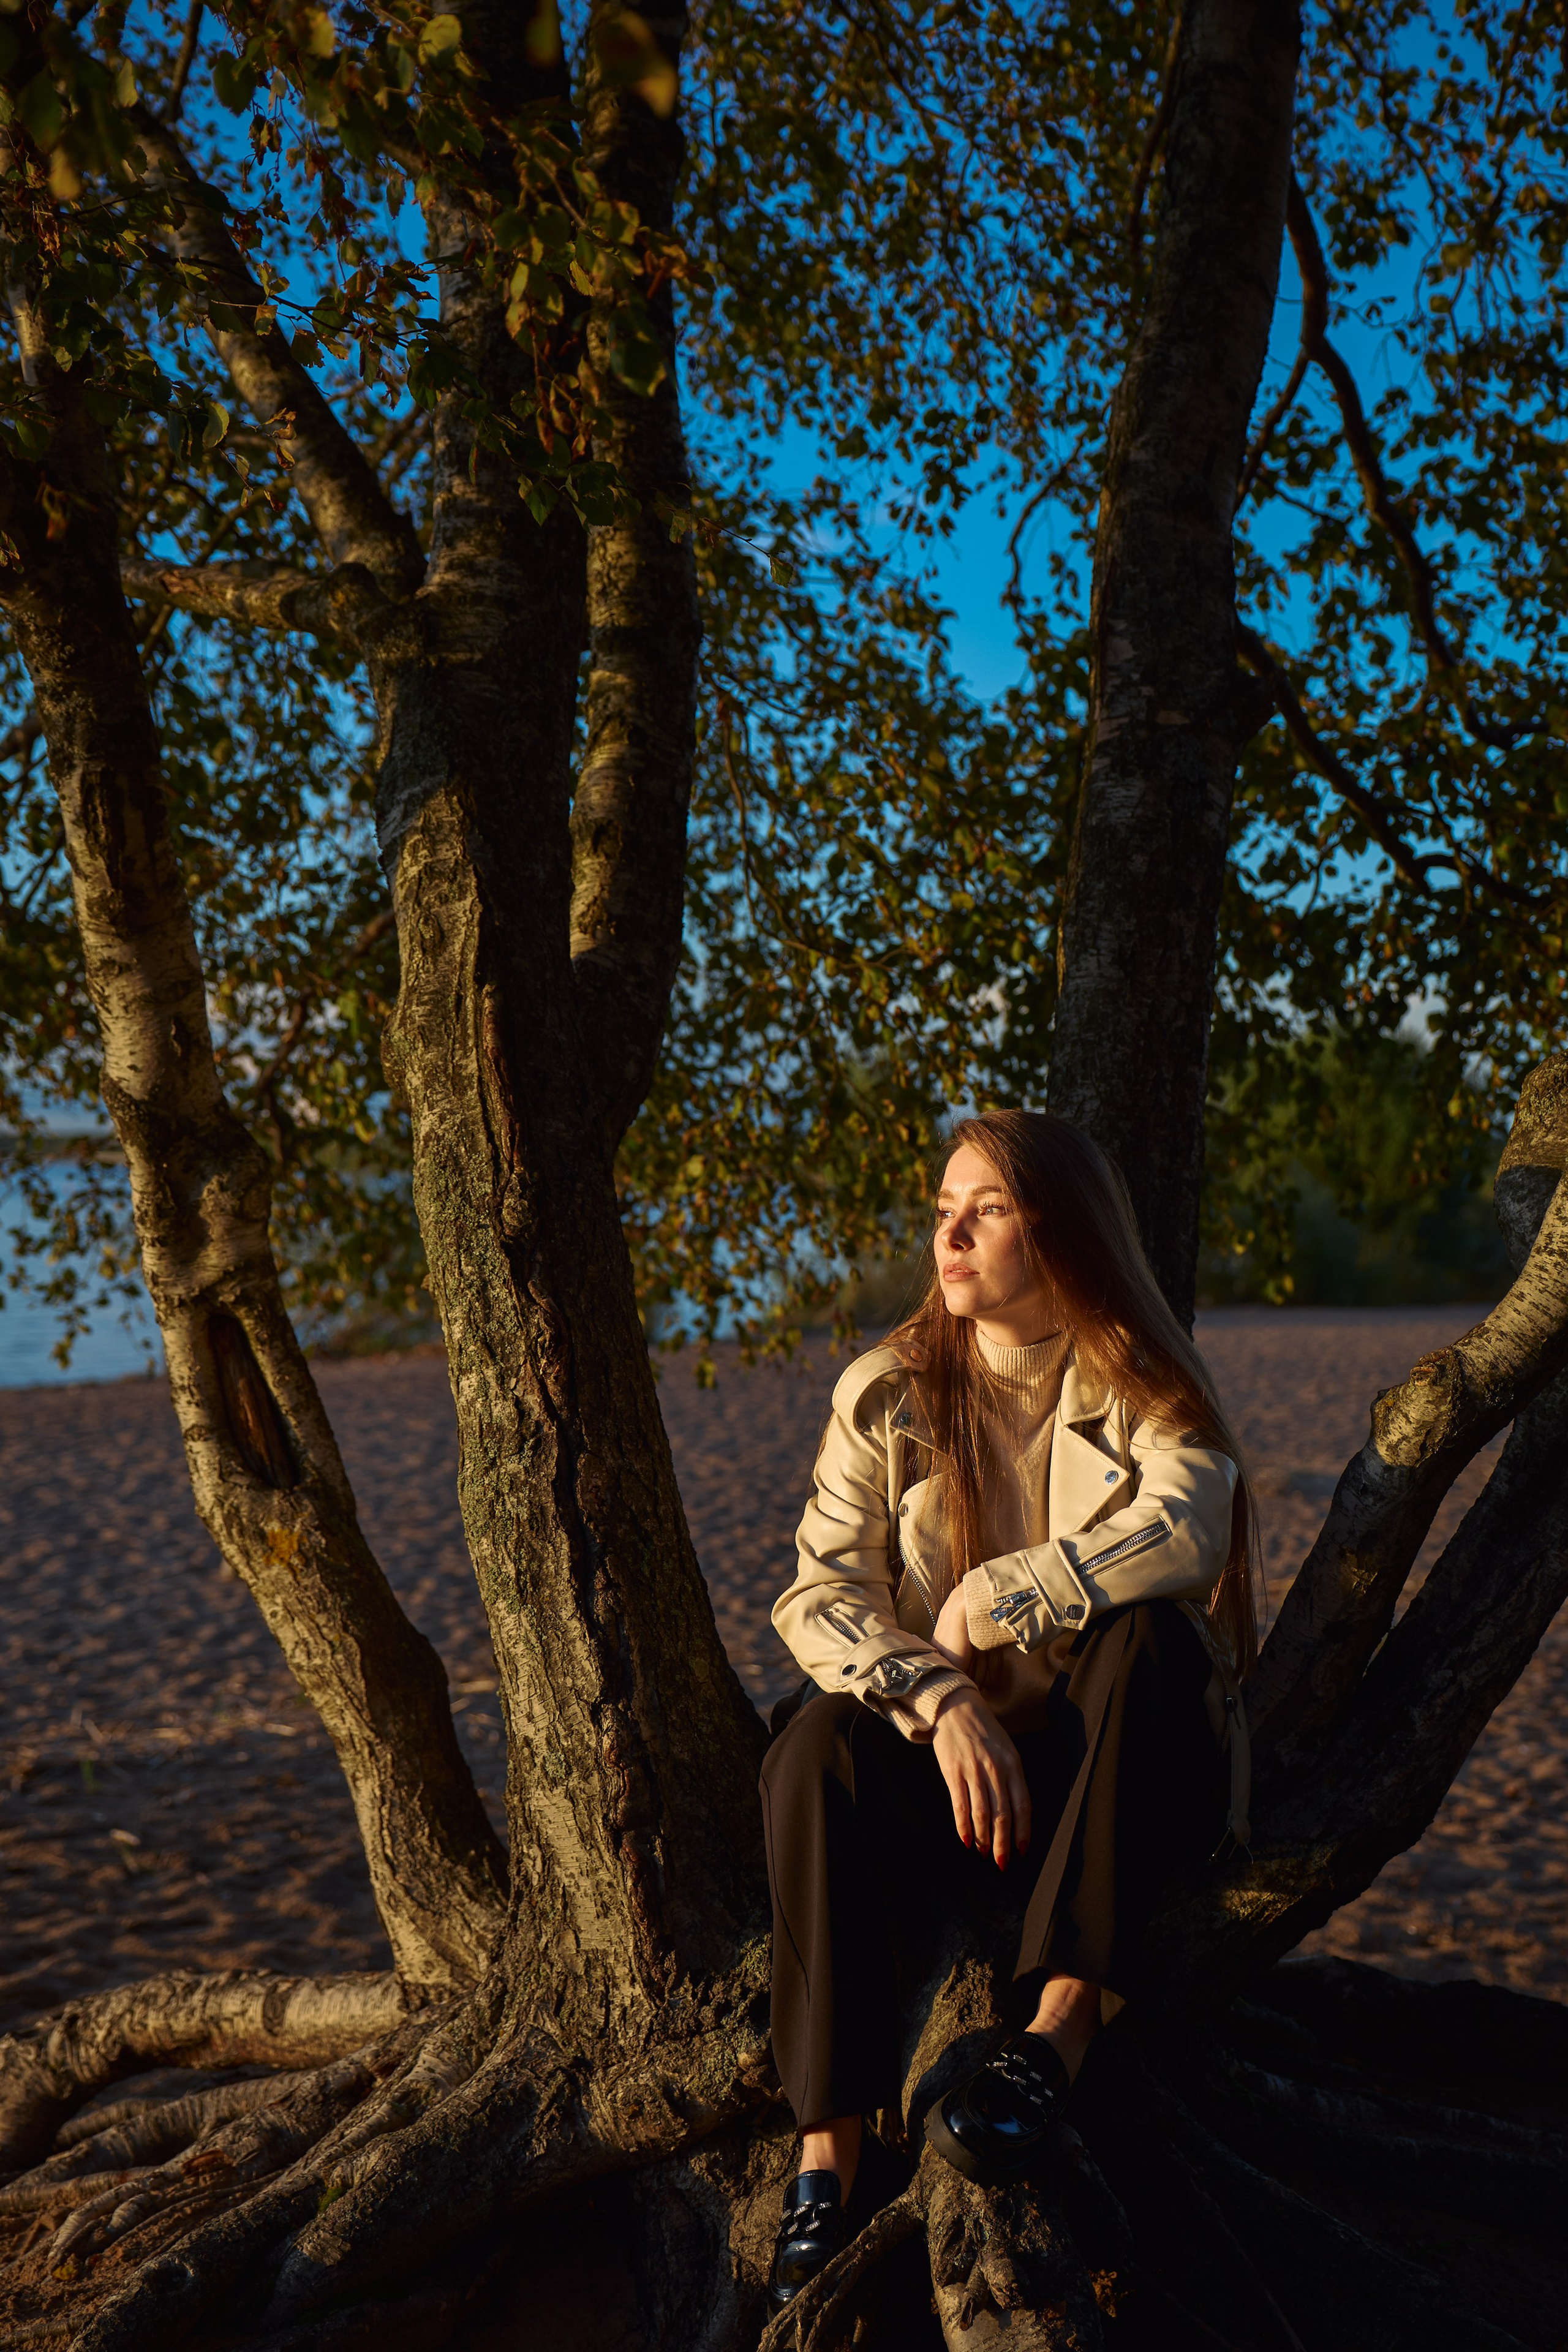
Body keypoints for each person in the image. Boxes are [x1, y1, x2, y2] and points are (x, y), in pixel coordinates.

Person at [760, 1110, 1256, 2311]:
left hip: (1118, 1776)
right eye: (941, 1207)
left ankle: (1056, 2035)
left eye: (984, 1207)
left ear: (1061, 1227)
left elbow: (1192, 1528)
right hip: (960, 1782)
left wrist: (1003, 1590)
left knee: (1145, 1640)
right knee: (815, 1741)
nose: (951, 1232)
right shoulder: (884, 1392)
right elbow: (819, 1594)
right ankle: (824, 2151)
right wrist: (936, 1698)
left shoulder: (1138, 1371)